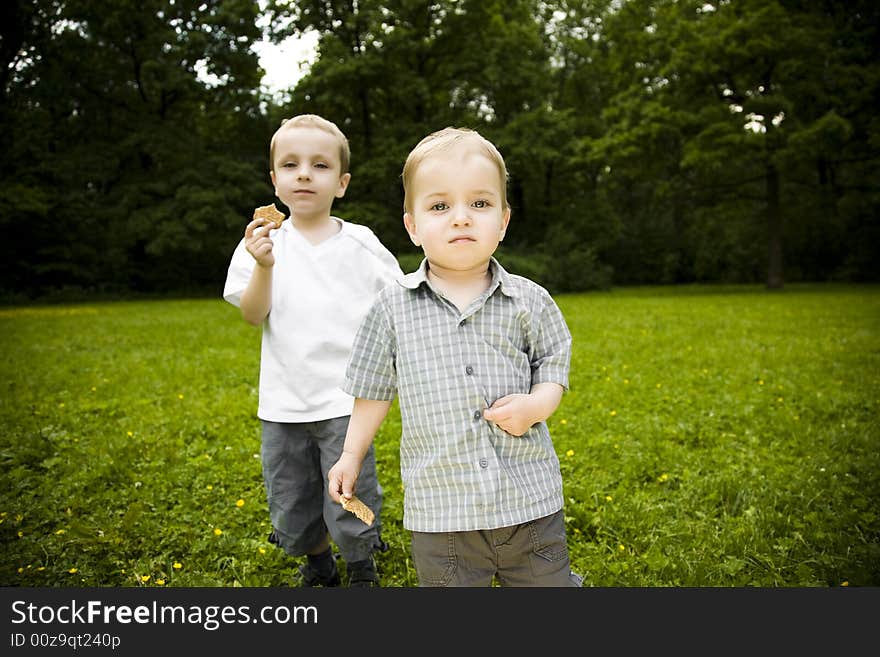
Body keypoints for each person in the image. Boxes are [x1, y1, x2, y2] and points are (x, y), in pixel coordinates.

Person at [328, 127, 582, 586]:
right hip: (442, 511)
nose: (461, 218)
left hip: (529, 501)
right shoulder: (390, 308)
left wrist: (536, 406)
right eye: (440, 206)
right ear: (413, 225)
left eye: (480, 204)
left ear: (503, 222)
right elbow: (372, 389)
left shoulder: (530, 300)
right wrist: (350, 454)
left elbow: (552, 365)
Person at [223, 114, 402, 587]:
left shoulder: (361, 244)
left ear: (340, 183)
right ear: (275, 181)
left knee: (352, 488)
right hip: (284, 402)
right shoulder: (260, 244)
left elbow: (398, 303)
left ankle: (362, 562)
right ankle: (317, 561)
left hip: (347, 400)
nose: (304, 173)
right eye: (291, 164)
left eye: (320, 165)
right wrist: (264, 266)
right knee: (292, 493)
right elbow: (252, 313)